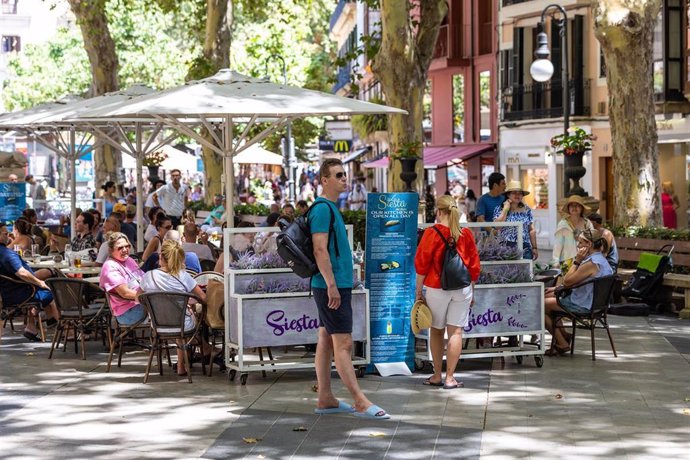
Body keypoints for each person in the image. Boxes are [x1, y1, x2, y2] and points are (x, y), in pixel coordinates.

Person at [310, 158, 389, 419]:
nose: (345, 179)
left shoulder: (329, 208)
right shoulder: (322, 209)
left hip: (332, 284)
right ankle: (360, 401)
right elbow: (319, 249)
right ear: (324, 180)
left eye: (344, 174)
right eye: (339, 175)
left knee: (326, 338)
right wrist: (332, 284)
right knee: (343, 343)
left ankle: (325, 398)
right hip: (332, 285)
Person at [415, 195, 480, 389]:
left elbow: (421, 265)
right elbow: (475, 266)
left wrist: (418, 292)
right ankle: (450, 378)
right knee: (456, 331)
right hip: (462, 288)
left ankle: (437, 375)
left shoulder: (431, 233)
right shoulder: (466, 233)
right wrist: (472, 292)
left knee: (436, 330)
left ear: (439, 211)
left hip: (437, 288)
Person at [137, 239, 207, 376]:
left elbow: (138, 297)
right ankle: (185, 362)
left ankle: (185, 361)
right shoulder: (184, 276)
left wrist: (153, 306)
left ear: (161, 257)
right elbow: (203, 298)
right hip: (182, 325)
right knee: (189, 314)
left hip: (157, 325)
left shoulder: (148, 276)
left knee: (178, 315)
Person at [544, 228, 613, 356]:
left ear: (589, 245)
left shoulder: (591, 263)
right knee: (547, 296)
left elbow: (567, 281)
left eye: (580, 243)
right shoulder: (601, 259)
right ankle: (563, 337)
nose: (578, 245)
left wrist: (577, 261)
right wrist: (555, 289)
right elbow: (581, 282)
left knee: (540, 306)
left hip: (584, 305)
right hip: (595, 304)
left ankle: (562, 342)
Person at [0, 223, 59, 341]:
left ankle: (32, 327)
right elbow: (22, 273)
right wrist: (39, 282)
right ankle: (68, 330)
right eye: (6, 234)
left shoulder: (5, 252)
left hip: (9, 292)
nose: (9, 236)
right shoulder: (7, 254)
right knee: (55, 294)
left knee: (41, 288)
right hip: (19, 293)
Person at [99, 232, 146, 325]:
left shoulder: (129, 260)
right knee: (163, 308)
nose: (125, 250)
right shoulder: (110, 266)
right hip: (127, 312)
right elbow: (125, 293)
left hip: (141, 304)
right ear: (111, 250)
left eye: (127, 246)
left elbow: (143, 278)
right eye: (120, 247)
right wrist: (149, 297)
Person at [493, 180, 538, 260]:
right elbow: (497, 227)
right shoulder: (499, 209)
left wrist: (534, 247)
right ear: (508, 195)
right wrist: (505, 210)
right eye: (514, 193)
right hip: (506, 247)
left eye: (520, 193)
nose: (518, 195)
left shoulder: (527, 209)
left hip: (525, 246)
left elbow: (531, 230)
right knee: (508, 271)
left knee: (526, 271)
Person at [551, 195, 594, 270]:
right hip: (567, 262)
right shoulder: (563, 224)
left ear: (582, 208)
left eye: (577, 205)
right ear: (568, 208)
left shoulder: (587, 223)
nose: (574, 208)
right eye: (571, 206)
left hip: (585, 260)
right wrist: (555, 262)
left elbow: (593, 241)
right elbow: (558, 245)